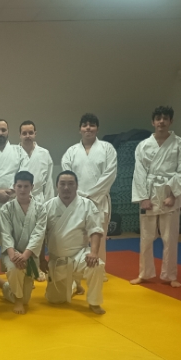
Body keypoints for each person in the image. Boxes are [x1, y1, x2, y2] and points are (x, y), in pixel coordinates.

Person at [131, 106, 181, 288]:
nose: (161, 121)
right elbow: (139, 173)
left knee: (169, 238)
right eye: (158, 118)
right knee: (146, 238)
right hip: (149, 193)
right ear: (153, 122)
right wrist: (143, 198)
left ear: (171, 121)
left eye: (165, 118)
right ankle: (144, 273)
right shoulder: (143, 145)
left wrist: (173, 195)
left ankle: (170, 276)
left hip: (169, 192)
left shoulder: (180, 144)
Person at [40, 171, 106, 315]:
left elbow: (95, 230)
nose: (66, 187)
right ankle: (75, 284)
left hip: (80, 255)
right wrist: (41, 259)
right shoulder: (47, 207)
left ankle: (94, 302)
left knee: (97, 265)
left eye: (71, 184)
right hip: (57, 259)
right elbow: (40, 235)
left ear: (76, 186)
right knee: (54, 300)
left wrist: (94, 252)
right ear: (57, 186)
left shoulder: (87, 205)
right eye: (62, 184)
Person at [61, 114, 116, 271]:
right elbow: (67, 176)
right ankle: (78, 269)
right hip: (76, 201)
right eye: (85, 125)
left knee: (99, 237)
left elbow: (110, 174)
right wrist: (78, 196)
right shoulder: (71, 151)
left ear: (97, 128)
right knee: (77, 237)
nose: (88, 128)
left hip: (99, 200)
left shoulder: (107, 149)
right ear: (80, 129)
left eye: (92, 125)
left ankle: (98, 270)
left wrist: (91, 196)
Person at [0, 171, 47, 314]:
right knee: (15, 269)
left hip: (30, 254)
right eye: (19, 186)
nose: (22, 190)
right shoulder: (6, 208)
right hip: (11, 253)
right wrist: (13, 255)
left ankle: (1, 284)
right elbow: (5, 233)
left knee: (27, 299)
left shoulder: (40, 208)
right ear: (14, 186)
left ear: (32, 187)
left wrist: (25, 255)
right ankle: (18, 300)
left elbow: (38, 234)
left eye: (26, 186)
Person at [16, 120, 54, 204]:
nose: (27, 136)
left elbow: (48, 182)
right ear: (20, 135)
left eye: (30, 133)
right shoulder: (13, 153)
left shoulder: (44, 153)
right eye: (24, 133)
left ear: (35, 134)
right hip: (17, 199)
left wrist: (49, 204)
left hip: (38, 200)